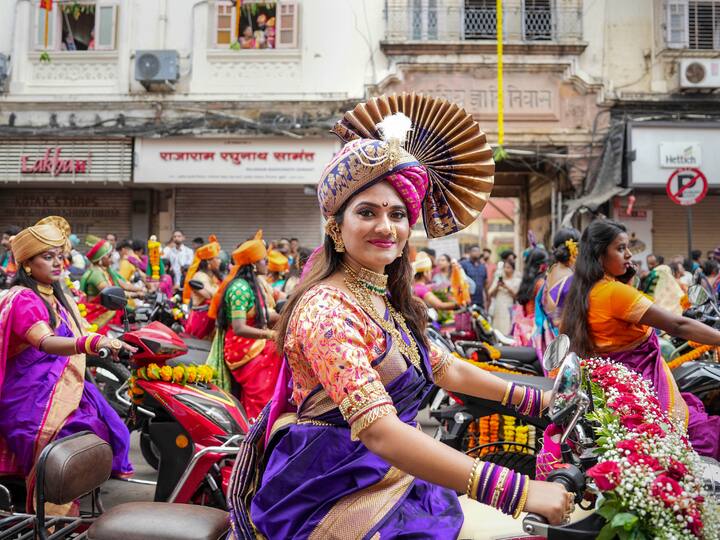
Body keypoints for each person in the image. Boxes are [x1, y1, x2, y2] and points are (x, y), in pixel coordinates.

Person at [227, 115, 571, 538]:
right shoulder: (326, 309)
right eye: (367, 212)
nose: (386, 226)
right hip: (333, 485)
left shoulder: (382, 297)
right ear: (336, 226)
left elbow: (444, 367)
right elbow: (380, 432)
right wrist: (517, 490)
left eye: (398, 213)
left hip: (395, 473)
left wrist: (540, 400)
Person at [0, 219, 133, 511]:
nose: (58, 263)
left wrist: (120, 343)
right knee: (71, 435)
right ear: (26, 265)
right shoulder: (23, 298)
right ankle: (50, 514)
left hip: (59, 386)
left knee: (107, 426)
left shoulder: (57, 296)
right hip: (30, 397)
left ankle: (73, 504)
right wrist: (92, 344)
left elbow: (83, 329)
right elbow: (46, 342)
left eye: (60, 256)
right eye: (48, 257)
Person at [561, 219, 720, 459]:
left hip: (616, 388)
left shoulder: (586, 290)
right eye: (620, 248)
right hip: (644, 388)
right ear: (600, 254)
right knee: (704, 435)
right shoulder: (615, 293)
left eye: (627, 248)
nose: (628, 255)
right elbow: (678, 324)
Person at [205, 232, 282, 419]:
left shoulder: (254, 283)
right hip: (242, 349)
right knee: (273, 364)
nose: (267, 263)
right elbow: (239, 328)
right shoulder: (240, 288)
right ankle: (258, 426)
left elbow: (264, 315)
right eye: (264, 260)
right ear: (254, 264)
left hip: (254, 344)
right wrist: (270, 335)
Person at [533, 228, 580, 356]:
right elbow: (559, 311)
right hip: (563, 338)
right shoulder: (571, 276)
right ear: (575, 249)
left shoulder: (552, 270)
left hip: (546, 336)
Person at [80, 238, 143, 331]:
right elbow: (112, 295)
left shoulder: (107, 271)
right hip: (98, 313)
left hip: (109, 309)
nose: (111, 258)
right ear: (101, 258)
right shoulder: (96, 273)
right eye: (109, 256)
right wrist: (136, 295)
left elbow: (124, 285)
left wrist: (141, 290)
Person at [183, 239, 222, 340]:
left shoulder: (212, 276)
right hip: (201, 320)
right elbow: (211, 295)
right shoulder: (200, 276)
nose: (220, 261)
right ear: (208, 262)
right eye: (217, 258)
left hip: (210, 319)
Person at [512, 247, 549, 347]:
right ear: (542, 266)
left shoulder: (528, 281)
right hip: (535, 328)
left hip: (524, 326)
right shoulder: (540, 283)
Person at [488, 258, 520, 336]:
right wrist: (497, 286)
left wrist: (506, 287)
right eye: (505, 267)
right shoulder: (498, 279)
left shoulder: (517, 280)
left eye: (508, 267)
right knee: (498, 327)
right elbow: (490, 293)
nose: (506, 269)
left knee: (507, 326)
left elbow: (517, 296)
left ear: (513, 269)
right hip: (498, 307)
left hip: (509, 307)